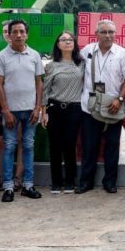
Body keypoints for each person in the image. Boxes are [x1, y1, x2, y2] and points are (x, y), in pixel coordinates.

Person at [78, 19, 125, 194]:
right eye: (104, 32)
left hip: (113, 105)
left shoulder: (122, 53)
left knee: (112, 146)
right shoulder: (87, 51)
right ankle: (86, 182)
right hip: (89, 106)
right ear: (96, 34)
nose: (108, 35)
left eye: (111, 32)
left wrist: (119, 99)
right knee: (89, 146)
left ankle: (110, 182)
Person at [0, 19, 45, 202]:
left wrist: (38, 107)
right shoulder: (1, 56)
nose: (18, 35)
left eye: (22, 32)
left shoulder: (34, 55)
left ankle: (28, 185)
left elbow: (39, 83)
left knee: (29, 146)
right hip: (11, 112)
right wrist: (5, 110)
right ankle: (8, 186)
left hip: (30, 110)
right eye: (14, 31)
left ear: (27, 34)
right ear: (9, 34)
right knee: (9, 146)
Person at [41, 31, 84, 194]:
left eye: (70, 40)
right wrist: (43, 112)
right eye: (63, 40)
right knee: (55, 146)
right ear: (58, 44)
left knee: (69, 145)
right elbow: (45, 90)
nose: (67, 42)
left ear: (74, 44)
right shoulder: (51, 66)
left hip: (74, 109)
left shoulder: (81, 64)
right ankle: (56, 182)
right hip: (54, 109)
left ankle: (70, 181)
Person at [0, 20, 24, 192]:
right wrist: (0, 109)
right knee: (0, 141)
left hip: (21, 107)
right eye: (6, 31)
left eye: (12, 30)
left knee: (21, 141)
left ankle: (18, 178)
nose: (10, 34)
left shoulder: (29, 53)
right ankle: (0, 176)